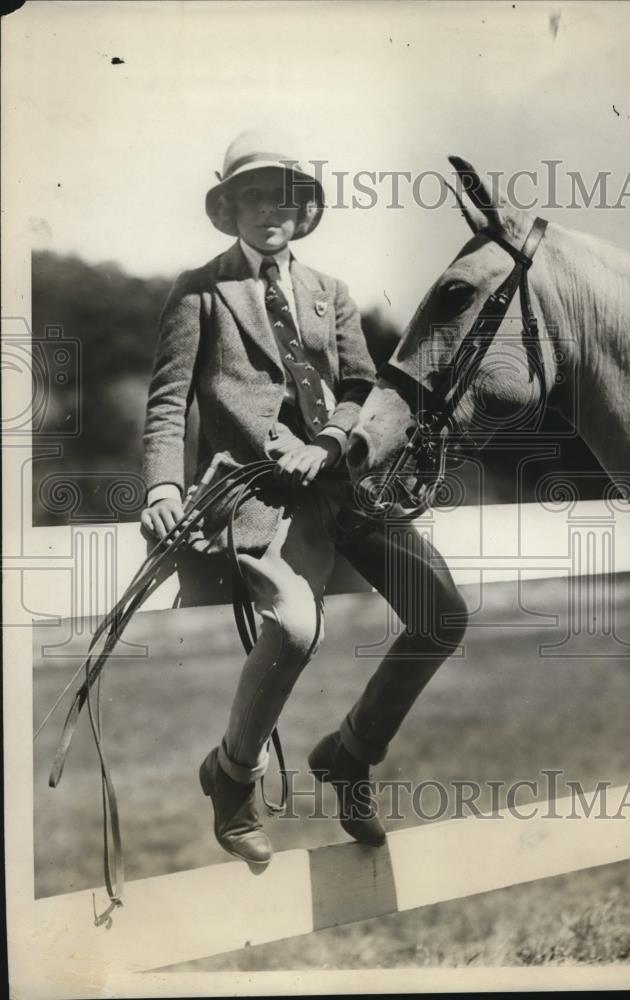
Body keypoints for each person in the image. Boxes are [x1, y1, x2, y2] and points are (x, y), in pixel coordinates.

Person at [141, 130, 468, 873]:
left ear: (303, 207)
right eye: (252, 196)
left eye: (283, 195)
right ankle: (231, 775)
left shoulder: (332, 293)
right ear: (229, 210)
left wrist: (326, 444)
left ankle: (348, 756)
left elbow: (360, 389)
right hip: (260, 501)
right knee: (293, 628)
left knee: (443, 613)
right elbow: (167, 402)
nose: (269, 211)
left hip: (344, 486)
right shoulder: (200, 292)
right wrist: (162, 484)